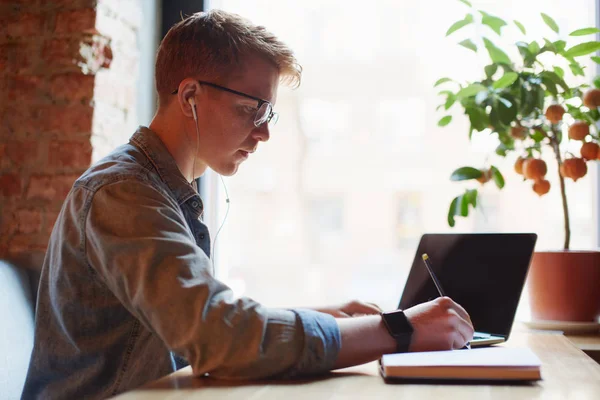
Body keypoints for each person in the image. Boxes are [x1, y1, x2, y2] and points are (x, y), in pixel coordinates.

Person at [21, 10, 474, 399]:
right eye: (252, 109)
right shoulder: (123, 192)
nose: (264, 132)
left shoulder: (161, 191)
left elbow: (204, 317)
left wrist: (325, 318)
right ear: (190, 96)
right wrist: (398, 330)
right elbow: (215, 335)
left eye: (268, 113)